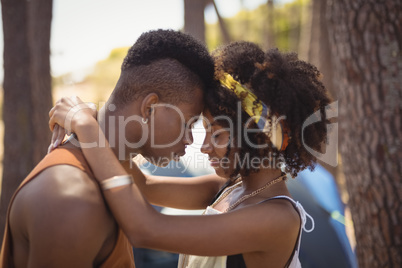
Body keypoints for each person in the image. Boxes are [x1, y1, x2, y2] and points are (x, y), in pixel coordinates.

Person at [48, 41, 331, 267]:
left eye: (217, 133)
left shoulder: (277, 218)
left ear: (260, 138)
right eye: (203, 129)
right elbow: (143, 185)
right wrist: (100, 118)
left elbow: (146, 229)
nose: (204, 145)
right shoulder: (226, 190)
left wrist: (85, 127)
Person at [0, 29, 215, 267]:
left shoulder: (111, 173)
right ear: (150, 108)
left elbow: (147, 189)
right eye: (188, 124)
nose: (191, 140)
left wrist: (89, 123)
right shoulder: (72, 199)